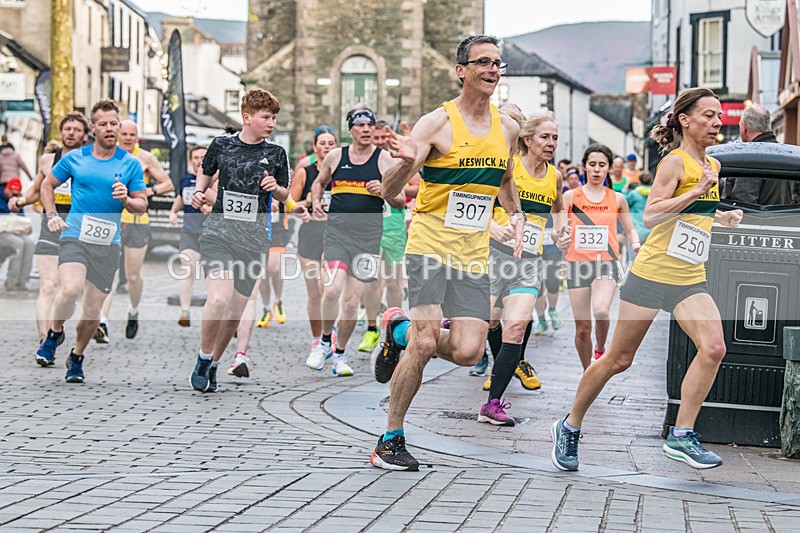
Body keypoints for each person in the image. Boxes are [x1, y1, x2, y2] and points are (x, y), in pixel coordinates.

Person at [552, 87, 744, 472]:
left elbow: (697, 211)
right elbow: (654, 215)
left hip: (689, 276)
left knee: (713, 348)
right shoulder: (674, 163)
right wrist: (696, 192)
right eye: (708, 115)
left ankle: (682, 434)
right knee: (618, 360)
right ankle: (570, 425)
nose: (716, 122)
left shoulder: (713, 165)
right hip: (652, 274)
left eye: (719, 116)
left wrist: (722, 216)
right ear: (685, 120)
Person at [370, 35, 524, 471]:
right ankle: (390, 438)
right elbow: (390, 191)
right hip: (430, 246)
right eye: (483, 62)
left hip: (472, 253)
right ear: (461, 70)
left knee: (469, 351)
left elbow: (505, 179)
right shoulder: (436, 123)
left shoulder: (507, 129)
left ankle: (396, 330)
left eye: (497, 63)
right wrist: (404, 162)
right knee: (425, 342)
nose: (492, 70)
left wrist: (516, 215)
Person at [188, 88, 308, 393]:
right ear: (247, 117)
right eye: (266, 117)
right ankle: (203, 357)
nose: (271, 123)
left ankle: (215, 363)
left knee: (234, 314)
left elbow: (285, 193)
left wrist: (275, 188)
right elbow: (206, 171)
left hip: (253, 241)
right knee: (218, 298)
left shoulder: (276, 153)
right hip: (218, 233)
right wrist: (199, 191)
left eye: (274, 118)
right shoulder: (222, 145)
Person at [34, 99, 148, 382]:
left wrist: (127, 200)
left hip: (108, 243)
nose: (110, 129)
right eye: (103, 124)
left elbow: (142, 204)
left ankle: (77, 356)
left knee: (93, 309)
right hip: (75, 236)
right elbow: (47, 185)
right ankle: (55, 333)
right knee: (70, 289)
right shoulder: (76, 158)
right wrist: (51, 215)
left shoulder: (131, 164)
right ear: (93, 129)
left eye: (114, 123)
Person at [477, 111, 567, 425]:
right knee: (488, 322)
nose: (551, 143)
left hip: (529, 262)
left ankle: (492, 404)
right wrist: (491, 226)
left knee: (516, 328)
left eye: (555, 138)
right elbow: (479, 201)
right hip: (493, 255)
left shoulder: (554, 176)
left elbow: (558, 208)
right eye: (545, 137)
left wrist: (561, 231)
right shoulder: (509, 167)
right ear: (527, 140)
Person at [306, 106, 405, 376]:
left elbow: (400, 201)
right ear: (350, 130)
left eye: (369, 125)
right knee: (331, 290)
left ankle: (340, 354)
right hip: (337, 234)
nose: (366, 129)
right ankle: (324, 341)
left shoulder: (384, 159)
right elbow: (319, 183)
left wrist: (384, 190)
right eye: (360, 125)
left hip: (368, 240)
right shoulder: (336, 156)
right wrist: (316, 201)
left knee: (351, 302)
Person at [563, 144, 640, 370]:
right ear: (584, 167)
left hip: (606, 263)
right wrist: (561, 237)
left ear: (609, 169)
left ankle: (600, 348)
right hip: (576, 264)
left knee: (601, 310)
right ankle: (587, 371)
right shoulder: (570, 197)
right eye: (592, 164)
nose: (597, 170)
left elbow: (629, 228)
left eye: (602, 165)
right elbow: (559, 228)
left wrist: (636, 243)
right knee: (582, 329)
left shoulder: (617, 199)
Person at [7, 113, 89, 323]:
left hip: (79, 230)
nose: (71, 133)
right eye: (67, 129)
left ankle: (56, 328)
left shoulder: (91, 162)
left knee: (68, 290)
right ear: (60, 132)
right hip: (51, 226)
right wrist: (20, 201)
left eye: (77, 130)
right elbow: (36, 190)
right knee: (48, 285)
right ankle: (45, 337)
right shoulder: (47, 161)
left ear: (85, 135)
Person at [98, 120, 174, 341]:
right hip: (112, 220)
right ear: (117, 135)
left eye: (132, 135)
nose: (128, 138)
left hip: (137, 221)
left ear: (137, 137)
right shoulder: (108, 155)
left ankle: (133, 310)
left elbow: (168, 183)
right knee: (108, 271)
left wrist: (147, 192)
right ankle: (102, 320)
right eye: (124, 134)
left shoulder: (145, 158)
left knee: (132, 276)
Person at [357, 120, 418, 353]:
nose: (381, 141)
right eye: (377, 138)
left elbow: (415, 187)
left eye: (384, 137)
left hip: (393, 225)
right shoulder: (363, 161)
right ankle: (372, 328)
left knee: (394, 281)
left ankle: (395, 327)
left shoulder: (397, 160)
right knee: (372, 279)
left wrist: (388, 188)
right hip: (369, 226)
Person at [289, 126, 337, 359]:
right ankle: (317, 338)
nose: (326, 147)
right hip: (310, 234)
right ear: (315, 147)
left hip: (334, 234)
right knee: (314, 293)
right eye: (322, 143)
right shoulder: (304, 173)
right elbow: (290, 205)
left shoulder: (342, 173)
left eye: (331, 143)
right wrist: (307, 202)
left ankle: (329, 332)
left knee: (326, 286)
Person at [168, 145, 210, 327]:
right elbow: (180, 198)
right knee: (187, 268)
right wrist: (173, 212)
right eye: (196, 158)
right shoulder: (185, 180)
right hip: (189, 232)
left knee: (211, 275)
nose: (199, 161)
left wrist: (210, 208)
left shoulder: (213, 180)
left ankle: (214, 311)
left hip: (209, 234)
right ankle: (185, 311)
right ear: (190, 160)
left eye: (203, 157)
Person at [722, 105, 794, 205]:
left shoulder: (750, 158)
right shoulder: (787, 156)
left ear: (744, 127)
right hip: (785, 215)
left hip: (756, 216)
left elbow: (743, 204)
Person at [0, 177, 35, 292]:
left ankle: (22, 281)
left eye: (17, 194)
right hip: (2, 232)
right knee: (17, 243)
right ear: (7, 189)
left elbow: (22, 218)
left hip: (15, 231)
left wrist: (27, 228)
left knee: (29, 243)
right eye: (13, 194)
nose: (14, 196)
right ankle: (12, 281)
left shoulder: (16, 200)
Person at [625, 170, 653, 244]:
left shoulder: (634, 194)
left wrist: (626, 186)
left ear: (639, 181)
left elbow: (624, 201)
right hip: (651, 232)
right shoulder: (653, 194)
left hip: (636, 232)